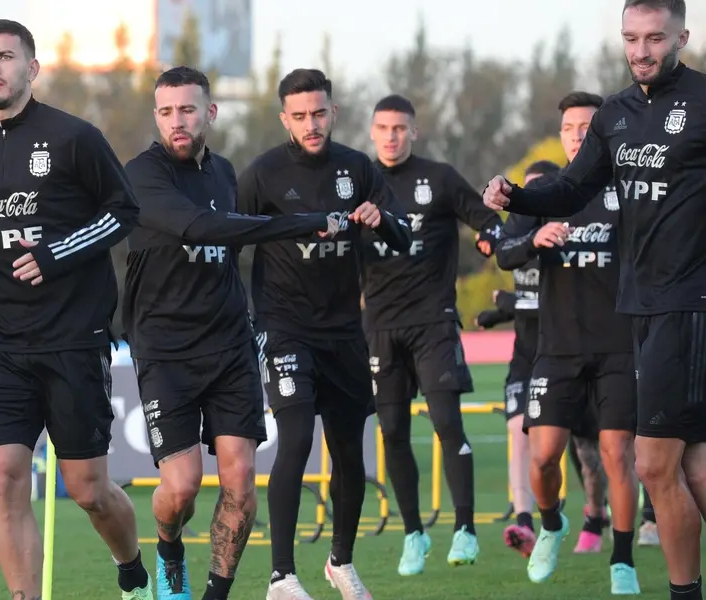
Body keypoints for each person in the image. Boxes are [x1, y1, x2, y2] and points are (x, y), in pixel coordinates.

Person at [483, 2, 706, 597]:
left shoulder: (704, 102)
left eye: (655, 38)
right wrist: (515, 199)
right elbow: (573, 186)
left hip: (689, 304)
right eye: (631, 38)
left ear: (682, 36)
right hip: (641, 308)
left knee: (654, 464)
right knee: (692, 465)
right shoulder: (615, 114)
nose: (641, 50)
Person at [0, 19, 151, 600]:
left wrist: (56, 253)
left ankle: (130, 565)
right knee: (5, 477)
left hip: (72, 337)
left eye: (5, 57)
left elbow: (122, 212)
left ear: (31, 68)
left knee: (88, 490)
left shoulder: (75, 138)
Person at [122, 66, 339, 600]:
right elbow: (202, 227)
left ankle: (217, 594)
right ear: (157, 116)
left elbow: (233, 242)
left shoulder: (223, 172)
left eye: (189, 110)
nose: (178, 121)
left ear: (210, 113)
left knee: (240, 484)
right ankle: (169, 550)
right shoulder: (142, 175)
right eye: (168, 111)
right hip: (165, 351)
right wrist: (299, 221)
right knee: (182, 487)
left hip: (228, 347)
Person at [238, 68, 413, 600]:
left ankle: (341, 561)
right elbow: (225, 234)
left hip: (343, 332)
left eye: (319, 113)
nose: (310, 124)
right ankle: (282, 576)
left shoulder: (358, 167)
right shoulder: (263, 173)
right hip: (285, 327)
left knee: (350, 452)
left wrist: (378, 218)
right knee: (294, 438)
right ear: (283, 119)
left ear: (334, 112)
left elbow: (402, 236)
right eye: (299, 116)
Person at [494, 90, 641, 594]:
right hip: (556, 349)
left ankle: (622, 560)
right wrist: (533, 240)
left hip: (620, 345)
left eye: (587, 125)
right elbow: (505, 254)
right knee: (543, 455)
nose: (578, 135)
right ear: (560, 136)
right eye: (569, 128)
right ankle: (552, 524)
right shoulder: (548, 193)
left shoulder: (628, 188)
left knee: (617, 453)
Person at [361, 94, 504, 575]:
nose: (391, 136)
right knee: (393, 432)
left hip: (433, 321)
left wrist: (491, 237)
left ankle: (464, 528)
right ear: (372, 131)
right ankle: (413, 534)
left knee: (447, 423)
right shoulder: (359, 182)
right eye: (383, 127)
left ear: (413, 132)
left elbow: (484, 218)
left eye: (400, 128)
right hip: (379, 326)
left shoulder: (438, 178)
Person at [475, 159, 559, 560]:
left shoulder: (560, 237)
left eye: (537, 189)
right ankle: (524, 520)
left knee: (588, 450)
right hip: (523, 355)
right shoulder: (516, 241)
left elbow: (557, 303)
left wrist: (509, 303)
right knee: (517, 432)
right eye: (523, 190)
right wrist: (501, 312)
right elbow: (523, 298)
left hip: (562, 353)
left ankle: (599, 514)